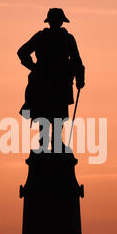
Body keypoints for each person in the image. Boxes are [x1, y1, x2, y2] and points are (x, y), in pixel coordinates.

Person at [18, 8, 85, 150]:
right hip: (47, 81)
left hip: (57, 81)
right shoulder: (53, 38)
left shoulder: (65, 38)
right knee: (46, 111)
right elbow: (22, 52)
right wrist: (34, 67)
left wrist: (80, 77)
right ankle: (47, 142)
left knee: (55, 112)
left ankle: (54, 142)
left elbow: (76, 60)